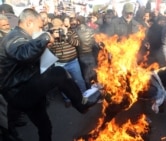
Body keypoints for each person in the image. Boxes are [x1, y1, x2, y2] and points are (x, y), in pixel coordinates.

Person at [0, 8, 99, 141]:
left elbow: (28, 60)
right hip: (19, 92)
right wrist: (45, 37)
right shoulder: (14, 37)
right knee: (59, 73)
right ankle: (81, 104)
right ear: (29, 22)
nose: (41, 30)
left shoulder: (24, 36)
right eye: (40, 27)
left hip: (28, 89)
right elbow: (23, 53)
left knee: (45, 126)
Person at [48, 18, 87, 107]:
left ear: (63, 26)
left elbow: (77, 43)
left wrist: (66, 36)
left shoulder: (70, 32)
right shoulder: (51, 35)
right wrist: (52, 39)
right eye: (55, 28)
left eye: (59, 28)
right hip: (60, 63)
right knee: (63, 83)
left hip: (73, 62)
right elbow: (49, 50)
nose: (57, 30)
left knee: (79, 80)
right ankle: (67, 98)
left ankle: (85, 96)